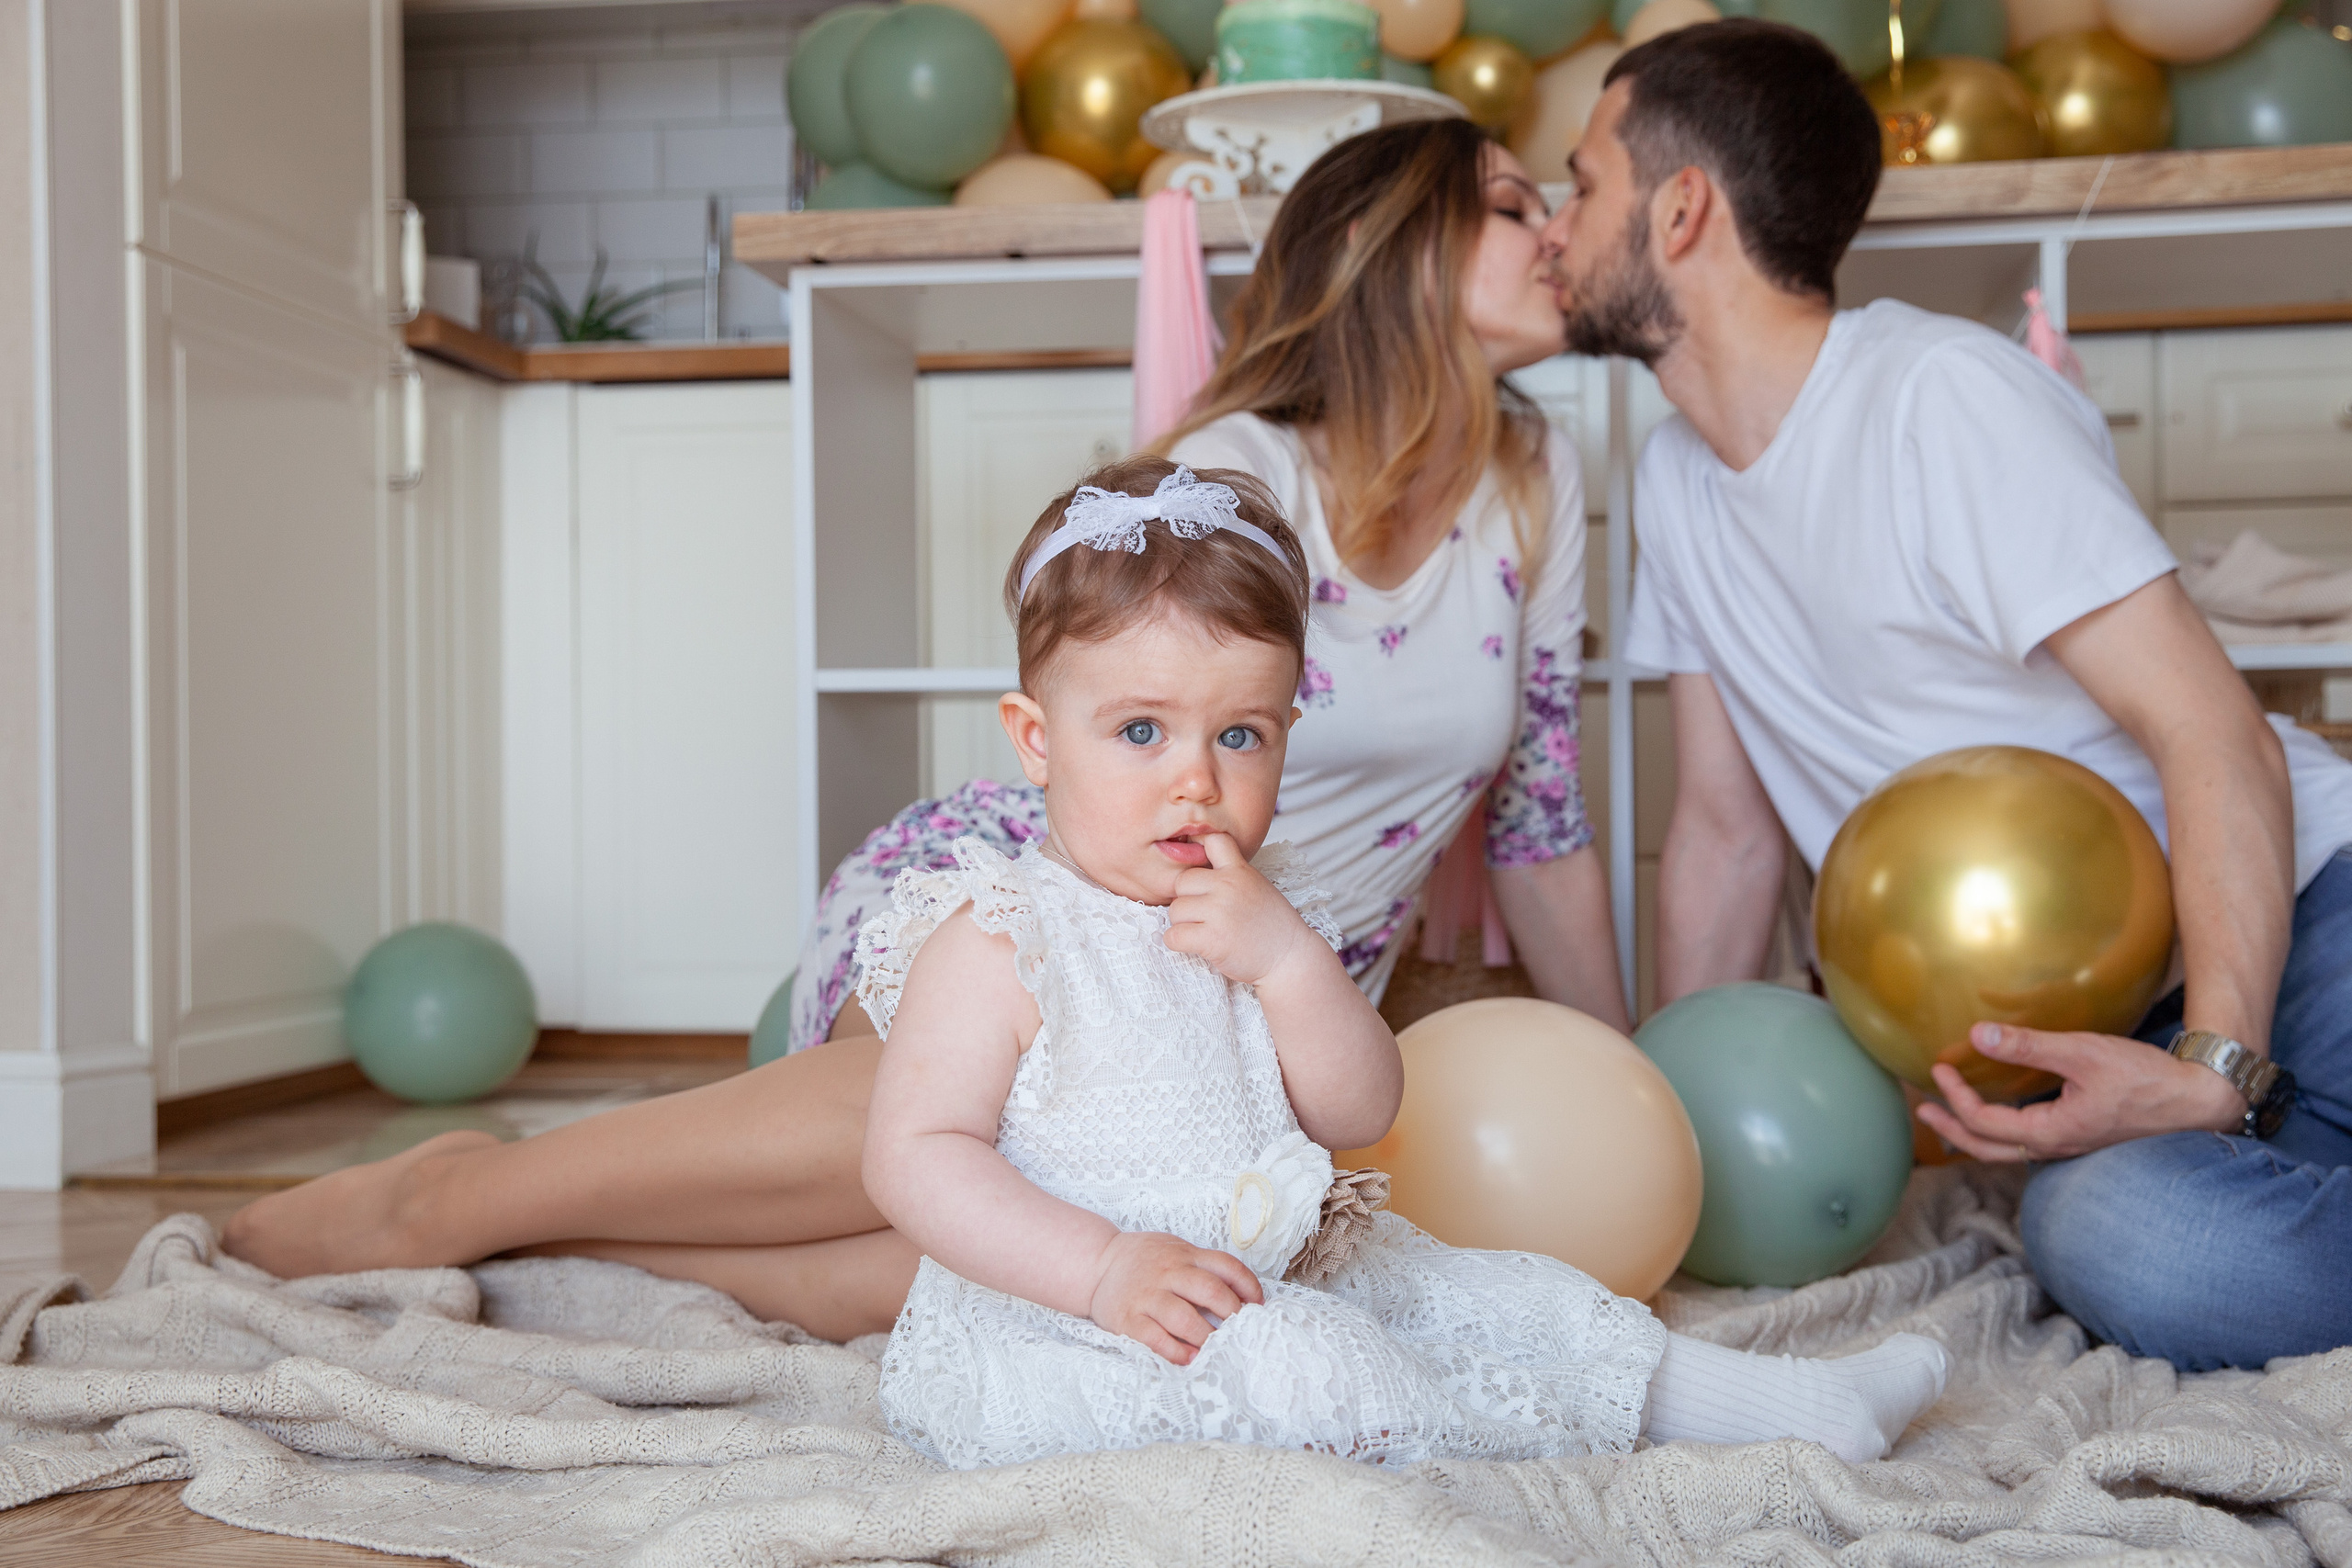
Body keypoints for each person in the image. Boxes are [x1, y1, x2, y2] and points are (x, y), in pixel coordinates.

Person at [222, 119, 1621, 1340]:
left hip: (1261, 976)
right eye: (1509, 206)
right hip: (1045, 896)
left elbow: (1541, 816)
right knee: (931, 1120)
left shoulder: (1535, 482)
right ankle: (454, 1193)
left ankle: (536, 1244)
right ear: (1396, 251)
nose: (1556, 229)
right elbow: (1100, 727)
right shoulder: (1235, 476)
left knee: (947, 1267)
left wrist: (1628, 1079)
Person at [863, 452, 1949, 1468]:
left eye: (1240, 736)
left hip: (1284, 1274)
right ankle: (1477, 1442)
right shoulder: (1001, 934)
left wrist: (1287, 966)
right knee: (1311, 1366)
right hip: (1083, 1326)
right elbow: (916, 1155)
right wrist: (1101, 1270)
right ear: (1035, 737)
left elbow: (1359, 1110)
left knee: (1514, 1297)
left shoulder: (1262, 912)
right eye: (1141, 732)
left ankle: (1804, 1410)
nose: (1195, 779)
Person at [1544, 18, 2352, 1371]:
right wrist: (1676, 1137)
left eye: (1579, 183)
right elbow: (1728, 836)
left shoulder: (1938, 397)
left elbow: (2212, 729)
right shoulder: (1678, 480)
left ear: (1681, 209)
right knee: (2120, 1237)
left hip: (2309, 912)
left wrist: (2218, 1059)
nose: (1554, 227)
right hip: (2098, 1019)